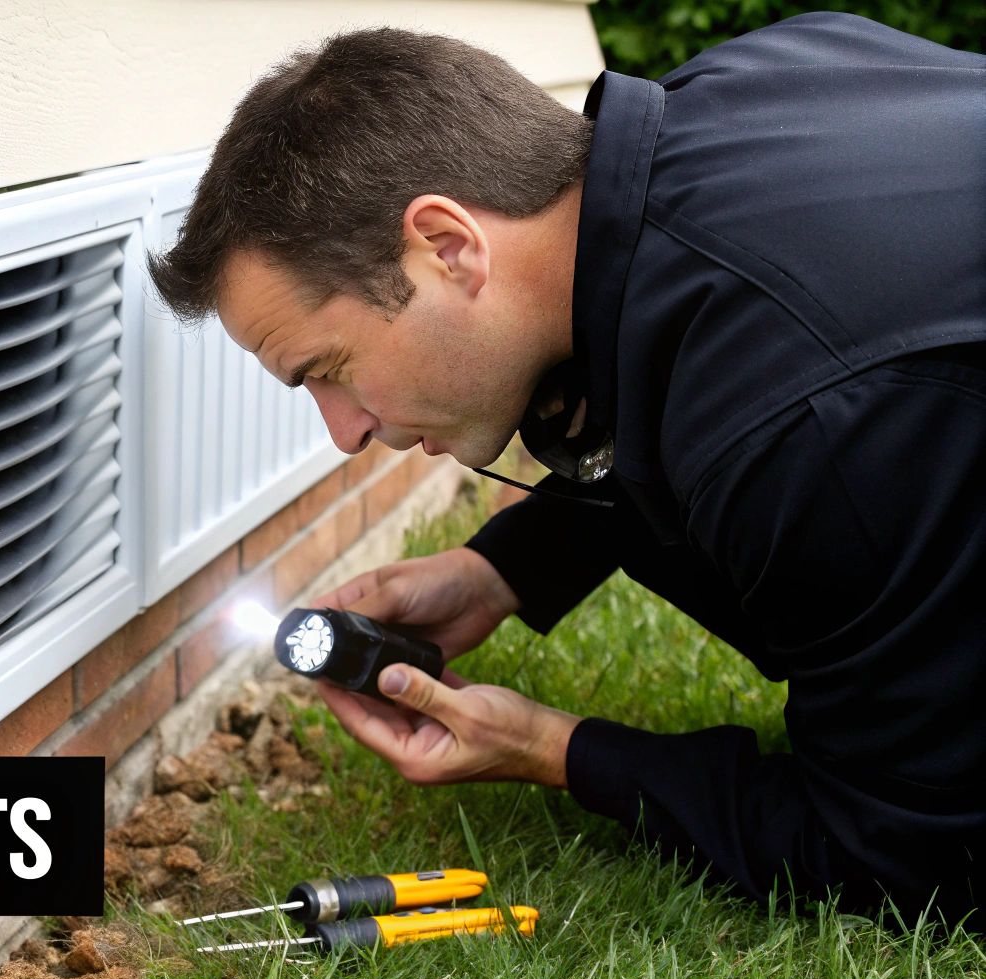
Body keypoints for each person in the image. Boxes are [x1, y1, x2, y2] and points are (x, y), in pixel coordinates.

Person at [148, 12, 986, 920]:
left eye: (329, 371)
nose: (344, 433)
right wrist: (502, 570)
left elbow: (905, 858)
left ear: (447, 245)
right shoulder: (754, 83)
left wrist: (558, 750)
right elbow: (657, 373)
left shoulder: (816, 430)